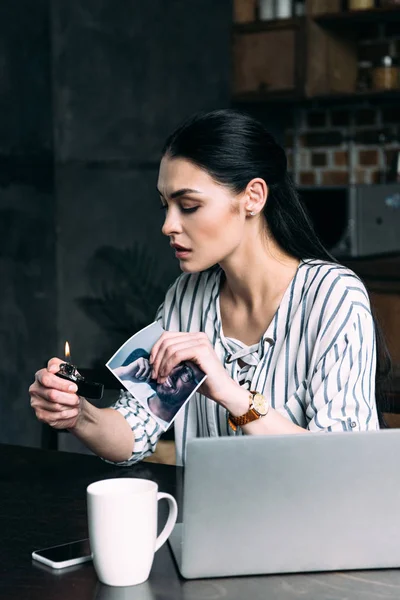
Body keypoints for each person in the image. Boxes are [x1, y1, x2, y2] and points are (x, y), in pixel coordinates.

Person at [29, 109, 391, 466]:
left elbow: (344, 463)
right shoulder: (184, 299)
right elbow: (135, 432)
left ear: (253, 197)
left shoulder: (333, 297)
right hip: (208, 520)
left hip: (313, 523)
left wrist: (230, 393)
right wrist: (79, 415)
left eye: (188, 206)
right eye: (165, 206)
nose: (168, 225)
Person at [112, 348, 203, 424]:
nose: (172, 372)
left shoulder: (173, 430)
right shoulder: (135, 384)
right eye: (178, 363)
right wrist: (123, 373)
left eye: (187, 374)